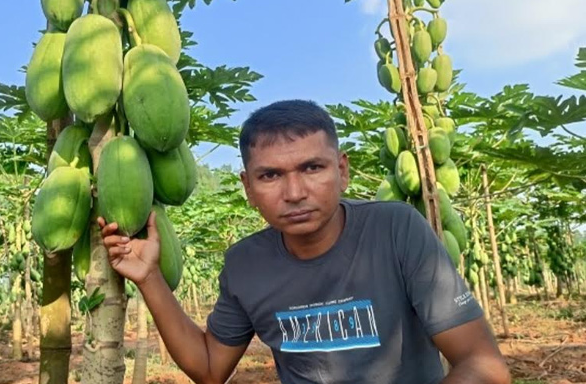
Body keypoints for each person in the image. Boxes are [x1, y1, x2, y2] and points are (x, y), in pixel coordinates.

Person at [98, 100, 511, 384]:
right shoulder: (245, 264)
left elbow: (483, 365)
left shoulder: (396, 229)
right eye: (270, 175)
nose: (294, 192)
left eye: (312, 167)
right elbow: (209, 369)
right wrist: (148, 277)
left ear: (342, 171)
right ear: (247, 186)